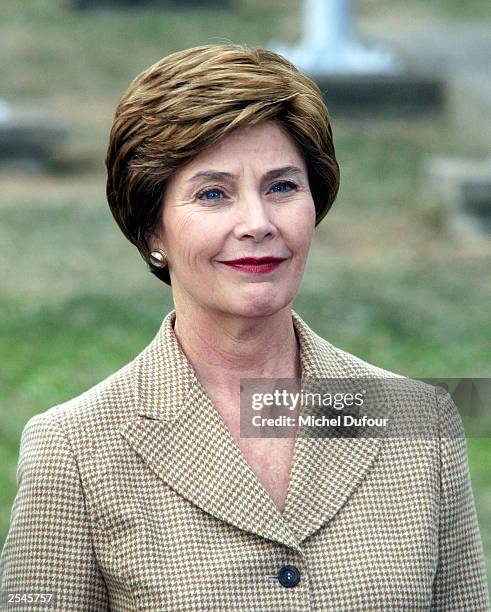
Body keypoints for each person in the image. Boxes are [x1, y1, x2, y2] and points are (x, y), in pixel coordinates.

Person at [0, 44, 488, 611]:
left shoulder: (421, 421)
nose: (257, 223)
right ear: (152, 228)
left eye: (282, 187)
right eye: (213, 194)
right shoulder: (72, 451)